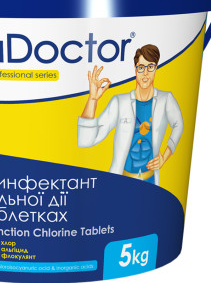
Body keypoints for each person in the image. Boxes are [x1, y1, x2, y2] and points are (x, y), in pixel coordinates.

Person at [77, 44, 183, 186]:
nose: (145, 73)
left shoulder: (165, 99)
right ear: (135, 69)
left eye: (150, 67)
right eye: (141, 67)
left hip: (151, 182)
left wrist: (165, 155)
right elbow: (85, 141)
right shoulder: (120, 102)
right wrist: (92, 100)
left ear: (156, 68)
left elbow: (179, 124)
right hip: (122, 182)